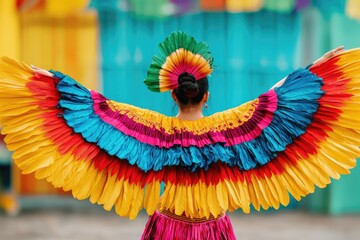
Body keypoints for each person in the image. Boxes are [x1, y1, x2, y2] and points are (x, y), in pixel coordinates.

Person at [0, 31, 359, 240]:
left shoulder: (141, 127)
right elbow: (281, 102)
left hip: (167, 228)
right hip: (214, 229)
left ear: (172, 94)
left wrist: (45, 82)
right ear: (207, 95)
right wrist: (315, 71)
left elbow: (89, 110)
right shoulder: (238, 126)